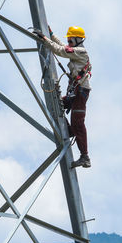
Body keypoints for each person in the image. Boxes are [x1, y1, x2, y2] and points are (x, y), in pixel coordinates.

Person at [35, 26, 92, 168]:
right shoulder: (76, 50)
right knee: (56, 104)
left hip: (80, 92)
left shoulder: (81, 51)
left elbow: (62, 50)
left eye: (70, 39)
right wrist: (51, 35)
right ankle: (70, 131)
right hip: (75, 92)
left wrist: (44, 39)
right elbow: (63, 46)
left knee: (78, 122)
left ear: (78, 39)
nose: (69, 41)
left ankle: (85, 157)